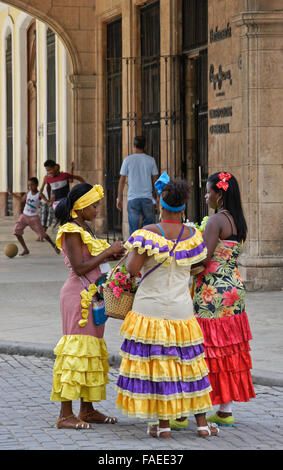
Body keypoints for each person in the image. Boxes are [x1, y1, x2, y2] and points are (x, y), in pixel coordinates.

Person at [116, 173, 219, 438]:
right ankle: (203, 424)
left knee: (158, 364)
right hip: (181, 309)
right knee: (190, 363)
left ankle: (162, 425)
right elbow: (198, 265)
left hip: (149, 307)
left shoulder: (148, 234)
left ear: (160, 204)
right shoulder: (193, 236)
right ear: (183, 207)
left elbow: (132, 269)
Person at [50, 182, 125, 429]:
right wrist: (108, 252)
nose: (97, 210)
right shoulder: (71, 230)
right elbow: (80, 267)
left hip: (93, 296)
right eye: (93, 206)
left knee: (91, 351)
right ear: (80, 208)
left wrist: (116, 253)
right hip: (76, 296)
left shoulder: (86, 228)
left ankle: (87, 409)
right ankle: (64, 414)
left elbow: (92, 259)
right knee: (74, 352)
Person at [192, 172, 256, 426]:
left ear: (219, 194)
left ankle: (202, 402)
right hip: (234, 287)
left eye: (209, 191)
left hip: (212, 289)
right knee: (229, 346)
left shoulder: (216, 220)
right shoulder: (238, 220)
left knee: (208, 345)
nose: (206, 195)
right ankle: (225, 409)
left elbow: (204, 258)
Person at [116, 136, 159, 234]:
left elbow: (122, 180)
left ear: (134, 145)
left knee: (134, 230)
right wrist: (157, 197)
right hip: (147, 198)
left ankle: (135, 248)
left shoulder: (127, 160)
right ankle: (147, 248)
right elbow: (155, 180)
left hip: (133, 199)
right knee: (149, 230)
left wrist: (119, 198)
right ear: (145, 146)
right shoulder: (151, 160)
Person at [12, 177, 59, 256]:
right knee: (16, 232)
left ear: (36, 185)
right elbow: (21, 200)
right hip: (24, 216)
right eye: (29, 185)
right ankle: (25, 249)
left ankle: (53, 245)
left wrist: (51, 201)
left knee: (43, 235)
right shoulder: (28, 193)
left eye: (32, 185)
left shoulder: (39, 194)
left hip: (33, 218)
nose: (30, 187)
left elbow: (47, 203)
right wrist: (12, 194)